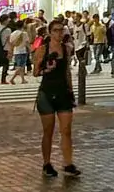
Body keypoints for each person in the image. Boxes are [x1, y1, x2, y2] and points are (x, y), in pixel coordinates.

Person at [33, 19, 81, 178]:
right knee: (48, 131)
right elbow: (35, 72)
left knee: (66, 130)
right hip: (46, 92)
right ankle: (47, 163)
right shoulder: (42, 49)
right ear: (50, 32)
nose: (59, 33)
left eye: (62, 30)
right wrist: (45, 67)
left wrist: (71, 91)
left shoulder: (66, 49)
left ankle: (68, 163)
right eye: (56, 30)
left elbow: (67, 71)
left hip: (63, 92)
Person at [8, 20, 31, 85]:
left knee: (20, 66)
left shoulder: (12, 34)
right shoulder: (24, 33)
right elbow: (27, 43)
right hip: (22, 51)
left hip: (16, 51)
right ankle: (12, 79)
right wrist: (31, 49)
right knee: (21, 66)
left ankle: (23, 79)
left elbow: (11, 43)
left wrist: (11, 52)